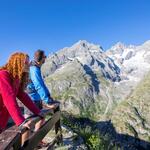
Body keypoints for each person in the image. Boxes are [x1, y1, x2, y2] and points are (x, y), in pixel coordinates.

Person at [0, 52, 43, 145]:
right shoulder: (3, 75)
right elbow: (9, 98)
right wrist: (21, 122)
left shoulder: (15, 79)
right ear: (17, 62)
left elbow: (23, 96)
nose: (28, 65)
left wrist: (38, 112)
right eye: (26, 62)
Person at [24, 50, 59, 147]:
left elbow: (42, 84)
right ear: (41, 58)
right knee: (28, 122)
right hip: (31, 99)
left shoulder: (35, 67)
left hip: (36, 97)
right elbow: (39, 85)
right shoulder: (34, 69)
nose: (46, 58)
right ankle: (25, 146)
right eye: (45, 56)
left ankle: (37, 141)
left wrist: (48, 96)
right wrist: (47, 101)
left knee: (41, 119)